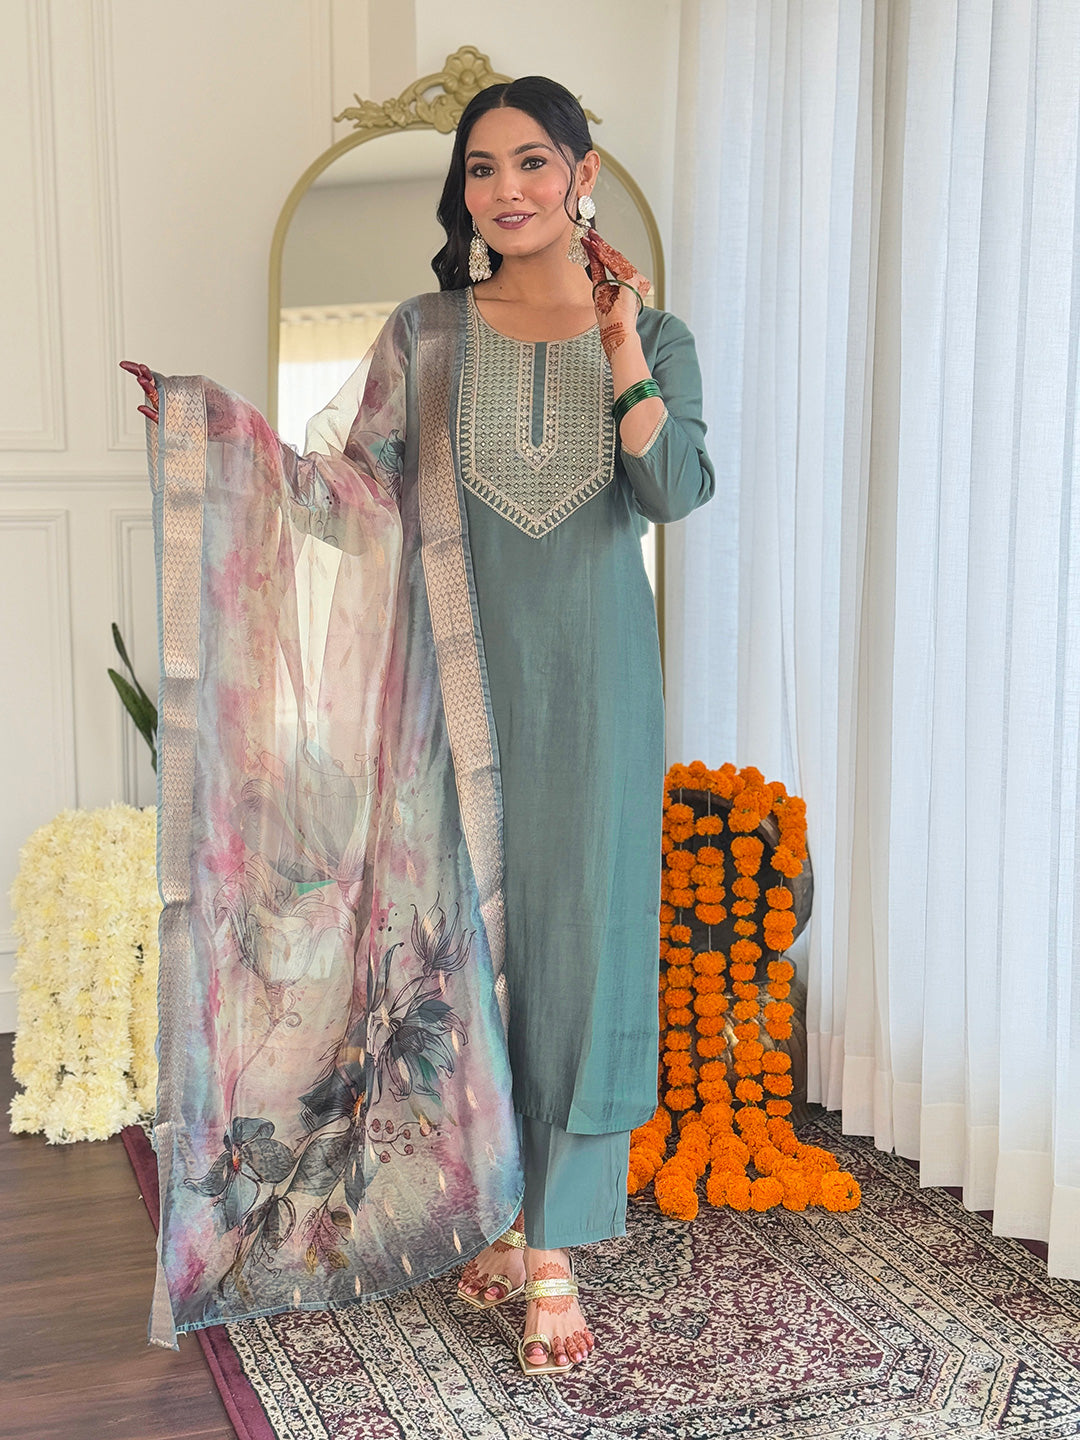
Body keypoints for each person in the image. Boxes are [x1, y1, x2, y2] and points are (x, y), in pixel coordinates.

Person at [124, 74, 714, 1375]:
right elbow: (343, 489)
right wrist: (210, 441)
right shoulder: (425, 336)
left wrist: (619, 343)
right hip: (452, 684)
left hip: (598, 690)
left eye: (530, 163)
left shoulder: (656, 336)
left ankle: (553, 1242)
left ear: (581, 177)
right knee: (464, 939)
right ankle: (498, 1207)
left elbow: (675, 487)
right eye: (481, 169)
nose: (503, 189)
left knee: (577, 941)